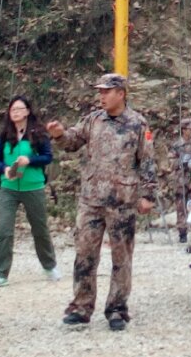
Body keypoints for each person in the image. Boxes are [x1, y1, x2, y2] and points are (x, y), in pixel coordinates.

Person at [46, 73, 156, 330]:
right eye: (100, 91)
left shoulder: (138, 124)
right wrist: (60, 135)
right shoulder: (93, 120)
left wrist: (148, 194)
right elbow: (72, 142)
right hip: (91, 200)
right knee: (84, 254)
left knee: (122, 258)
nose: (102, 96)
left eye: (107, 91)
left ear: (121, 93)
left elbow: (147, 160)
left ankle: (117, 308)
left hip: (122, 200)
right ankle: (81, 306)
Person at [0, 96, 59, 285]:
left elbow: (47, 157)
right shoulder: (4, 135)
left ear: (28, 111)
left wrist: (30, 161)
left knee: (40, 228)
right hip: (8, 187)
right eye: (13, 109)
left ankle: (49, 266)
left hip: (33, 187)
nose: (16, 112)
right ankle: (0, 274)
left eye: (20, 109)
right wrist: (4, 169)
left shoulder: (39, 133)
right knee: (4, 230)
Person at [170, 120, 191, 245]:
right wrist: (181, 161)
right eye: (189, 129)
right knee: (181, 205)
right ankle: (182, 232)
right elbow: (170, 163)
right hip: (181, 179)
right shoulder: (177, 145)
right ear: (183, 130)